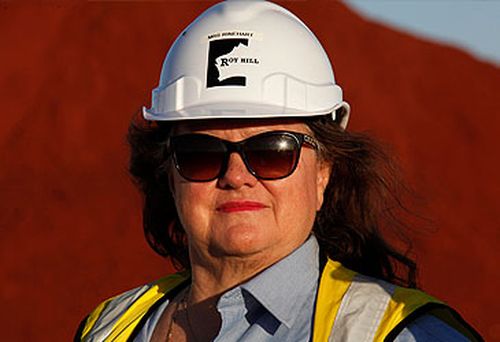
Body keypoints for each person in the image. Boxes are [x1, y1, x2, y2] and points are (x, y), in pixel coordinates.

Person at [75, 1, 481, 341]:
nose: (236, 175)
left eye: (272, 152)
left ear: (323, 171)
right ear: (170, 174)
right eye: (201, 154)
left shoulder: (401, 333)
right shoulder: (110, 327)